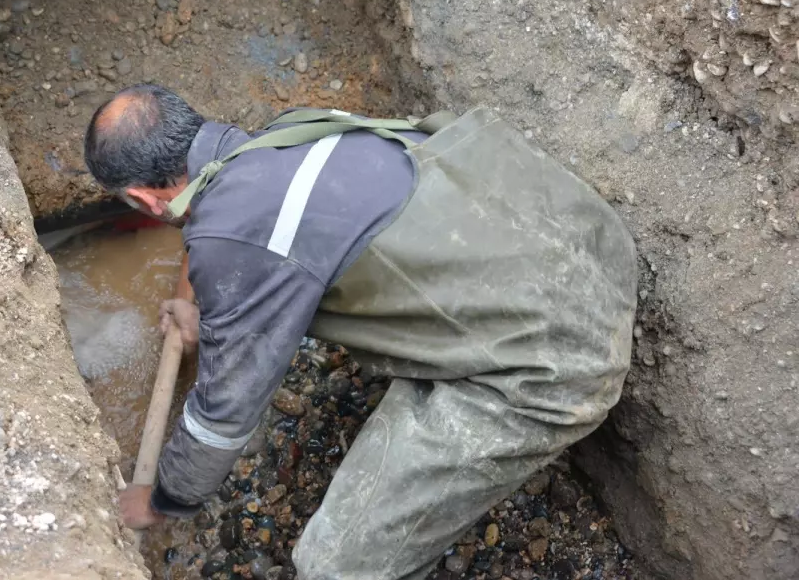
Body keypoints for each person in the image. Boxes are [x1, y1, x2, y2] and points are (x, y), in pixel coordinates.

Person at [83, 84, 636, 580]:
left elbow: (225, 413)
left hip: (554, 364)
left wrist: (163, 500)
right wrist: (209, 315)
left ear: (143, 200)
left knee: (334, 567)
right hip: (590, 250)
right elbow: (269, 252)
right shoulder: (292, 131)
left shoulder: (236, 240)